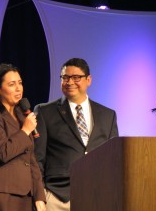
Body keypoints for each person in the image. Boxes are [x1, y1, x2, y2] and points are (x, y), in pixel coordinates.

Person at [34, 58, 119, 211]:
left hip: (97, 194)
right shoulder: (45, 112)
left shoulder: (108, 115)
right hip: (58, 196)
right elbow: (37, 159)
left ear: (88, 80)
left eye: (76, 78)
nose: (69, 82)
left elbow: (114, 158)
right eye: (65, 77)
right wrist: (40, 196)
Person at [0, 63, 46, 211]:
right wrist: (25, 131)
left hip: (25, 195)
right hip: (0, 193)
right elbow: (3, 152)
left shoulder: (22, 117)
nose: (18, 88)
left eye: (20, 83)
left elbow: (31, 160)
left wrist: (40, 195)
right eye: (11, 84)